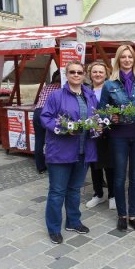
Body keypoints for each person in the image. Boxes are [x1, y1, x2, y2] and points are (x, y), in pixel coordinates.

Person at [41, 60, 98, 244]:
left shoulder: (89, 95)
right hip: (60, 152)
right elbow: (45, 118)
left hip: (83, 151)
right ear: (66, 75)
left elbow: (96, 117)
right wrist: (62, 128)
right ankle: (54, 228)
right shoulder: (56, 96)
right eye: (72, 72)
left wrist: (98, 126)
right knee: (57, 192)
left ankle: (73, 221)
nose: (76, 75)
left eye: (79, 72)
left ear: (84, 75)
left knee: (74, 190)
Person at [99, 45, 135, 232]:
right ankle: (121, 214)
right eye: (124, 57)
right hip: (118, 136)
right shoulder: (109, 85)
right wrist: (109, 116)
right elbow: (102, 109)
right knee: (120, 177)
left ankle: (133, 215)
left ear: (134, 60)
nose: (127, 60)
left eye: (130, 57)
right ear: (118, 60)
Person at [85, 62, 115, 210]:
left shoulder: (111, 89)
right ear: (90, 74)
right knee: (94, 165)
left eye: (100, 72)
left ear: (106, 74)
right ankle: (98, 194)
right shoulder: (85, 91)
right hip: (91, 134)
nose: (97, 74)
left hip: (109, 133)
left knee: (110, 165)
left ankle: (113, 195)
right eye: (94, 72)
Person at [33, 70, 60, 173]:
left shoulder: (46, 87)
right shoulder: (60, 88)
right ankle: (53, 164)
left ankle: (40, 167)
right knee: (52, 139)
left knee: (39, 140)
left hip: (37, 112)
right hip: (48, 113)